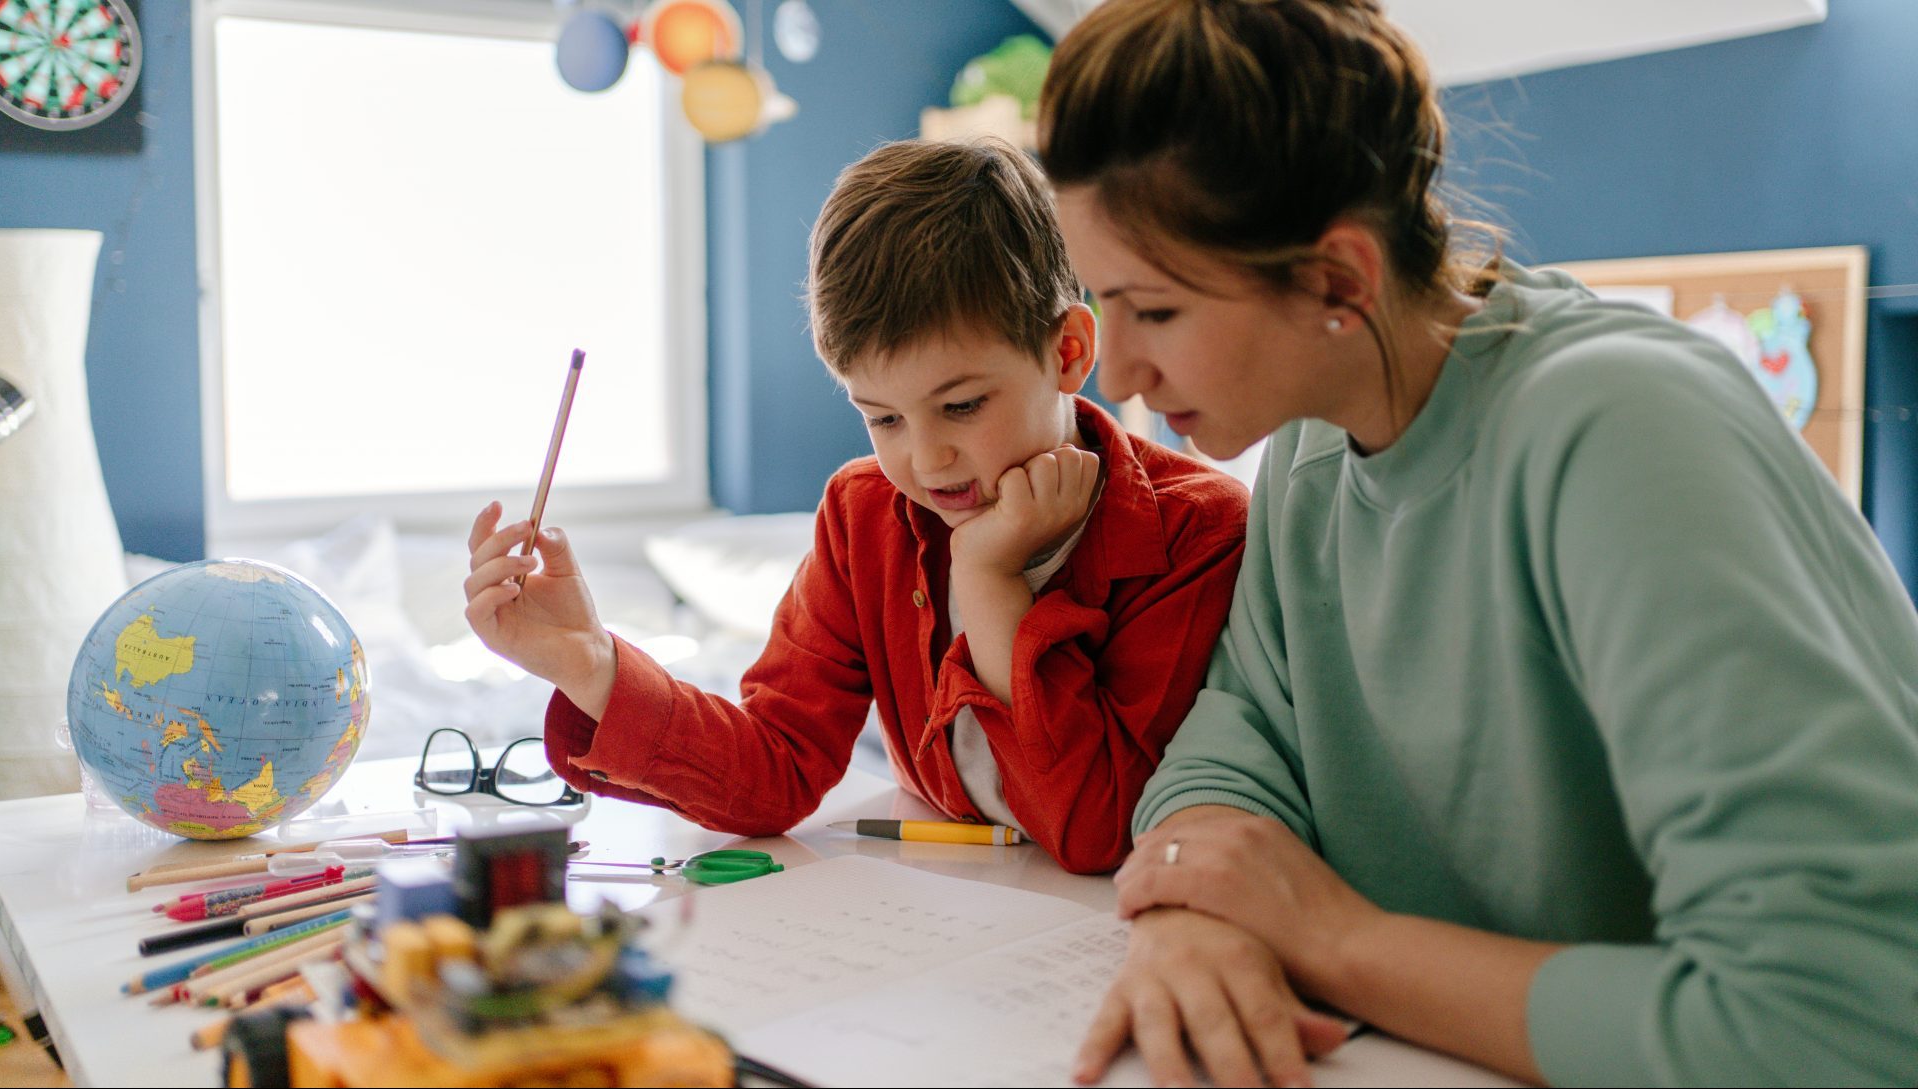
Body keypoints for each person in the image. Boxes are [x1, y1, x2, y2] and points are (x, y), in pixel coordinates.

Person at [1036, 0, 1918, 1085]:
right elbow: (1240, 731)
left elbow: (1834, 1026)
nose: (1113, 373)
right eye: (1100, 301)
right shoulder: (1316, 443)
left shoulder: (1619, 434)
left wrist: (1328, 938)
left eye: (1154, 311)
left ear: (1338, 282)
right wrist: (1193, 918)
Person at [463, 139, 1249, 875]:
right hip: (940, 921)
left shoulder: (1198, 530)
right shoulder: (863, 513)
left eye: (964, 405)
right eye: (883, 418)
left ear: (1069, 351)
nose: (926, 458)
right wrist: (591, 664)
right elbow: (776, 766)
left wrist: (989, 581)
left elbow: (1096, 829)